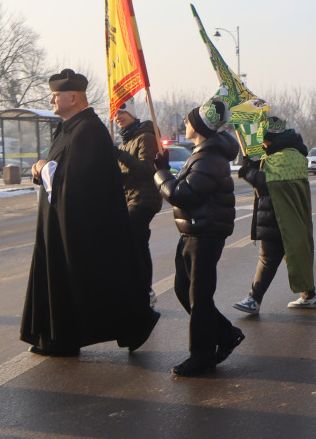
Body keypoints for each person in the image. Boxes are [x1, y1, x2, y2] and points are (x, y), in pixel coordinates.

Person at [20, 69, 159, 357]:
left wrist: (42, 168)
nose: (50, 100)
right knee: (67, 280)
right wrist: (43, 170)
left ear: (73, 97)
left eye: (55, 96)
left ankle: (130, 325)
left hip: (80, 224)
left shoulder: (88, 130)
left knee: (95, 280)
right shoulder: (69, 127)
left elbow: (77, 181)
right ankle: (58, 337)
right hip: (59, 220)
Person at [154, 95, 244, 377]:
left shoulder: (210, 158)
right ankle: (227, 334)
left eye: (189, 120)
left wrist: (159, 174)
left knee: (199, 296)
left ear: (199, 128)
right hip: (194, 231)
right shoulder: (202, 154)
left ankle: (201, 356)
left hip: (204, 233)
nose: (184, 123)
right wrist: (167, 170)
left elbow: (183, 195)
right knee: (184, 290)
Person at [232, 116, 316, 314]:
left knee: (268, 258)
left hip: (280, 217)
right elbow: (269, 177)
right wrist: (253, 166)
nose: (262, 144)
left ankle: (254, 299)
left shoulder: (286, 156)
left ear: (271, 138)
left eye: (263, 139)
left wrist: (248, 173)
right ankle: (309, 295)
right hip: (284, 217)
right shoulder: (290, 153)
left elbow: (270, 184)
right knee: (292, 254)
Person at [114, 99, 162, 307]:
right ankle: (138, 288)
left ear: (132, 114)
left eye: (122, 113)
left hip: (144, 200)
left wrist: (119, 155)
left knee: (136, 242)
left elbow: (146, 171)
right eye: (115, 115)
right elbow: (126, 174)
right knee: (134, 243)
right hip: (129, 199)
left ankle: (147, 291)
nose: (118, 117)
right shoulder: (125, 141)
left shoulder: (146, 137)